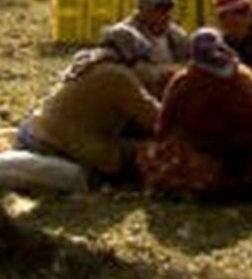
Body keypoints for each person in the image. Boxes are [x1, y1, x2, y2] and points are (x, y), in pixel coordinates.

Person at [14, 25, 160, 181]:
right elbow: (155, 119)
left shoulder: (85, 64)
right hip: (66, 146)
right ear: (132, 56)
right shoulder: (117, 76)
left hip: (38, 133)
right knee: (149, 152)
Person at [138, 28, 252, 197]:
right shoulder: (246, 76)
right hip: (249, 169)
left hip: (203, 171)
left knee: (149, 152)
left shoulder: (185, 80)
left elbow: (163, 126)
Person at [116, 0, 189, 97]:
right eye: (159, 10)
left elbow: (189, 62)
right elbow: (132, 72)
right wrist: (166, 72)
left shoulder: (175, 34)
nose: (166, 15)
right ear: (143, 11)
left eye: (168, 9)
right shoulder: (125, 35)